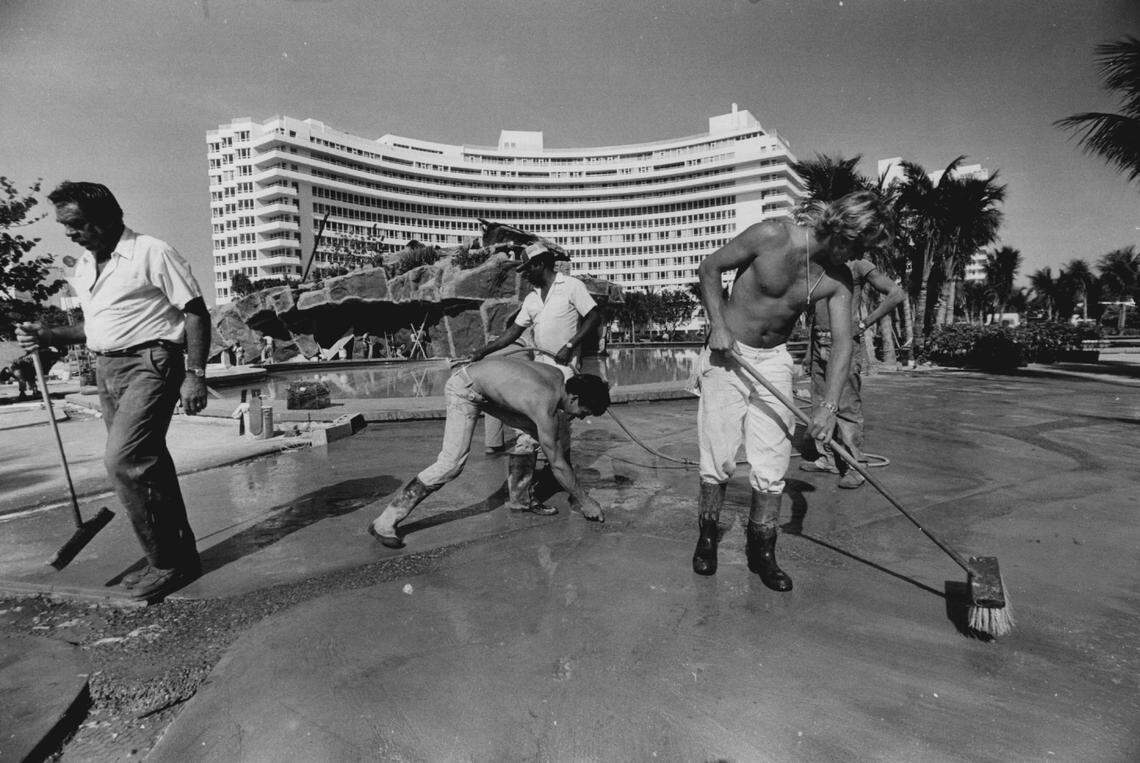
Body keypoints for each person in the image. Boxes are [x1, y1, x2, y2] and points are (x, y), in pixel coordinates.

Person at [16, 181, 210, 602]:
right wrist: (47, 333)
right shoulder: (86, 266)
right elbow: (95, 328)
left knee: (125, 460)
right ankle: (177, 555)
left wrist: (195, 373)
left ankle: (166, 563)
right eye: (65, 225)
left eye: (76, 224)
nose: (70, 233)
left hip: (151, 362)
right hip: (108, 368)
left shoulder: (151, 252)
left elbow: (195, 313)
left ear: (106, 218)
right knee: (148, 464)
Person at [693, 190, 893, 592]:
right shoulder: (771, 235)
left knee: (771, 464)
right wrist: (718, 324)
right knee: (718, 456)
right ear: (841, 231)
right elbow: (709, 268)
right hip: (728, 355)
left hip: (774, 361)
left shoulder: (838, 280)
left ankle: (762, 548)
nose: (856, 256)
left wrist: (828, 407)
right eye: (856, 246)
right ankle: (708, 535)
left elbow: (843, 343)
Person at [366, 358, 610, 547]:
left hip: (484, 387)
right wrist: (586, 500)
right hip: (465, 389)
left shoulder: (557, 376)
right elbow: (556, 462)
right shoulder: (543, 404)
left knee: (540, 437)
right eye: (584, 412)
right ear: (575, 397)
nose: (580, 417)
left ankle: (519, 498)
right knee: (451, 463)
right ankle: (385, 521)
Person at [470, 242, 603, 481]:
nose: (526, 276)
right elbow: (513, 333)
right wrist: (484, 351)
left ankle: (557, 477)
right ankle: (532, 484)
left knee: (560, 429)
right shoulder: (532, 299)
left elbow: (594, 316)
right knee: (533, 430)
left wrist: (570, 345)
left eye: (528, 269)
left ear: (540, 264)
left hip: (565, 375)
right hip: (539, 377)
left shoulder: (571, 286)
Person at [801, 257, 905, 488]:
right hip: (819, 342)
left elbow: (896, 294)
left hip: (844, 343)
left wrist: (864, 323)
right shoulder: (820, 263)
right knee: (820, 404)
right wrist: (810, 352)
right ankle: (827, 458)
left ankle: (856, 466)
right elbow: (814, 315)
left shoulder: (858, 263)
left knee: (846, 407)